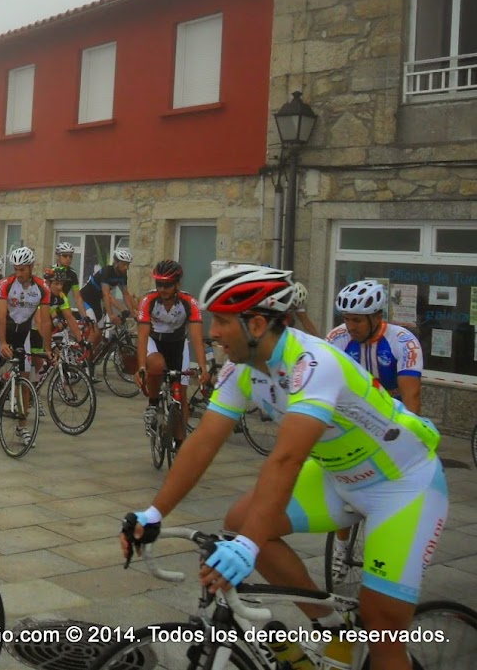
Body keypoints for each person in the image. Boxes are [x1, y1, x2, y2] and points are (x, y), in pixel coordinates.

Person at [120, 264, 447, 670]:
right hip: (340, 475)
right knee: (242, 518)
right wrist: (154, 513)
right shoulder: (241, 369)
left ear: (257, 323)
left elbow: (287, 459)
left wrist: (247, 548)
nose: (213, 333)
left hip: (402, 486)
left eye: (222, 321)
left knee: (382, 632)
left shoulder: (313, 363)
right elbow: (203, 441)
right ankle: (332, 626)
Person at [0, 246, 52, 441]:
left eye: (23, 269)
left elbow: (45, 320)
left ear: (31, 267)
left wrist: (47, 348)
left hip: (23, 335)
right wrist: (3, 342)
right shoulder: (5, 284)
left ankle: (22, 426)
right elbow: (2, 316)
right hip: (3, 331)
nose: (19, 273)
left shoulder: (41, 288)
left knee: (25, 379)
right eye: (16, 269)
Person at [135, 259, 209, 447]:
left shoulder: (189, 303)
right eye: (159, 284)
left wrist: (202, 367)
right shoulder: (148, 301)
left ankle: (180, 441)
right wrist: (141, 366)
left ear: (177, 284)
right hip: (154, 341)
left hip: (177, 343)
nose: (162, 289)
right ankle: (153, 404)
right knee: (157, 364)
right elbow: (142, 337)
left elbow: (196, 337)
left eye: (167, 285)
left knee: (181, 395)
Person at [327, 280, 423, 415]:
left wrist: (412, 432)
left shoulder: (403, 340)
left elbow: (411, 396)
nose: (350, 327)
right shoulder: (337, 337)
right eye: (346, 319)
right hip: (354, 413)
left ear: (377, 317)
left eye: (357, 320)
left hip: (393, 413)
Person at [79, 247, 138, 328]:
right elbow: (106, 295)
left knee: (99, 332)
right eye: (124, 264)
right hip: (84, 299)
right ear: (116, 263)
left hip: (96, 301)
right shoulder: (107, 272)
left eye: (128, 265)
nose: (126, 268)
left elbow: (126, 294)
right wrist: (111, 314)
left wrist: (133, 312)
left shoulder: (123, 275)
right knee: (93, 329)